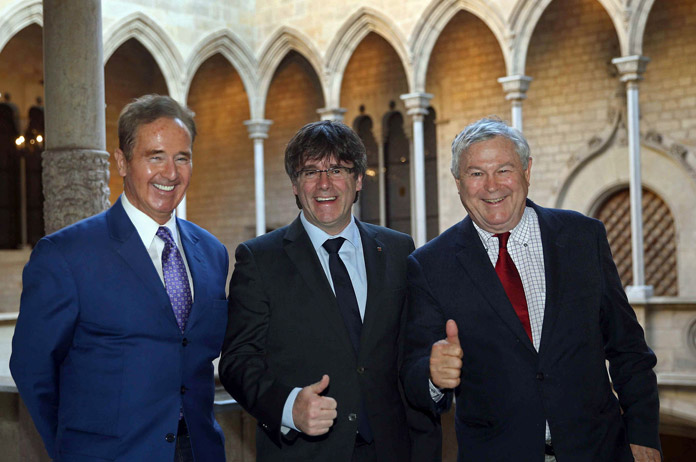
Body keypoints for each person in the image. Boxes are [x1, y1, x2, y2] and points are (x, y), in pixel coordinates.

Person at [400, 117, 661, 462]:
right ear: (458, 182)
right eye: (476, 173)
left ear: (527, 171)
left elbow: (629, 349)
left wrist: (644, 435)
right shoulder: (430, 264)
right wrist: (432, 375)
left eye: (504, 170)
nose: (492, 186)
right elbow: (412, 373)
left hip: (599, 451)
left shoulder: (583, 238)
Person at [10, 94, 229, 461]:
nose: (170, 173)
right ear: (122, 162)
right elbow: (32, 368)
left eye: (182, 157)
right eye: (155, 156)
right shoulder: (66, 255)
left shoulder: (212, 252)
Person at [219, 120, 438, 462]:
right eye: (310, 172)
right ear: (295, 184)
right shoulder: (259, 259)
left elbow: (408, 352)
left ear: (358, 179)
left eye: (336, 169)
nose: (324, 183)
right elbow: (237, 362)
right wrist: (290, 407)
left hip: (392, 449)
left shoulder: (398, 250)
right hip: (305, 453)